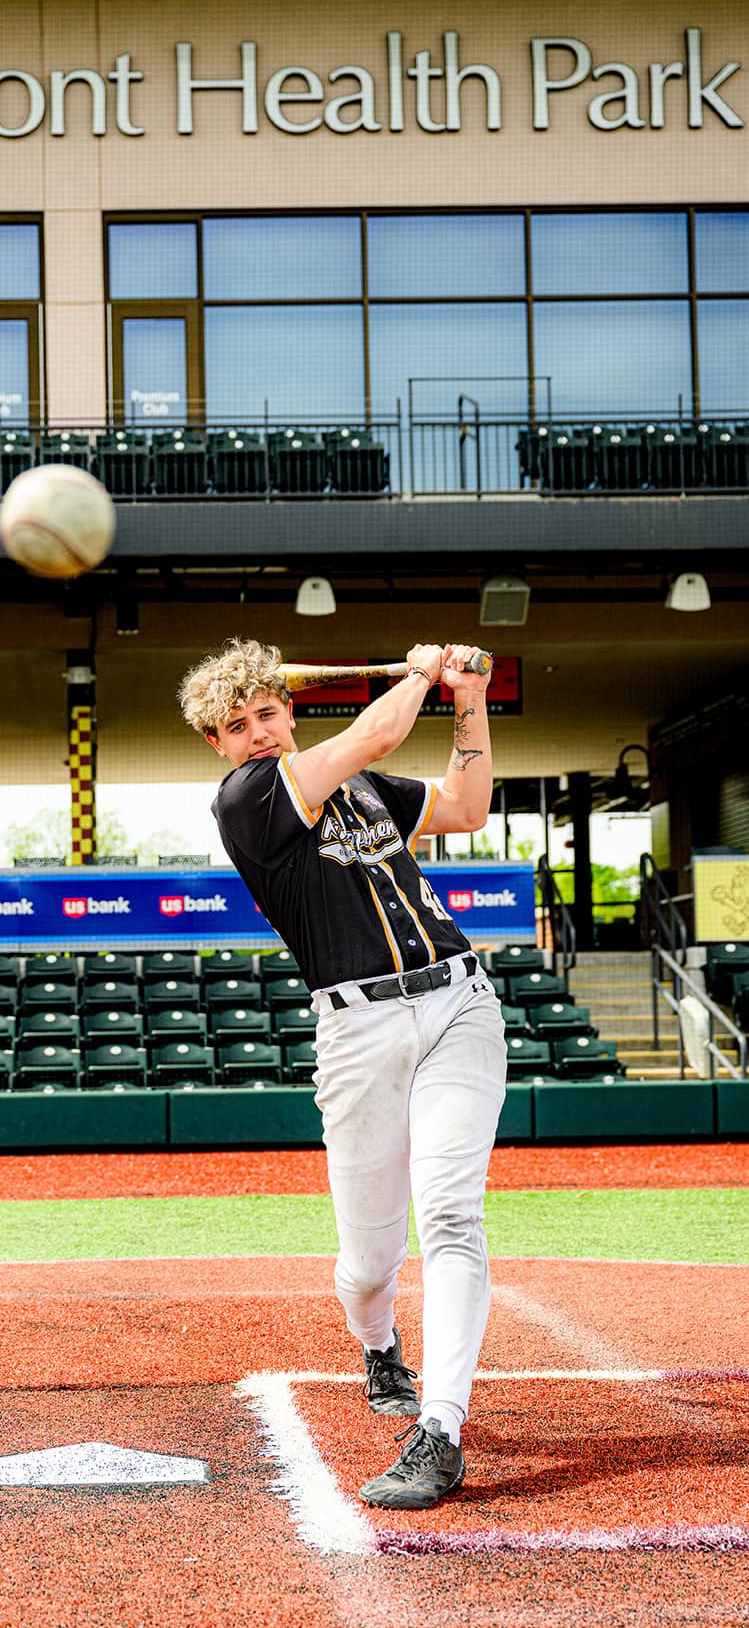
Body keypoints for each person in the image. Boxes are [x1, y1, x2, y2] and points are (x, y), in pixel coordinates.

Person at [178, 637, 507, 1509]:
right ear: (217, 744)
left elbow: (468, 808)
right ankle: (377, 1346)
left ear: (288, 710)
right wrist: (415, 677)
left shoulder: (361, 789)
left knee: (447, 1211)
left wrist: (465, 697)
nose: (254, 732)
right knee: (368, 1265)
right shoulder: (248, 798)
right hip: (357, 1031)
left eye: (264, 713)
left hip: (457, 1004)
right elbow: (369, 737)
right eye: (234, 725)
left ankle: (438, 1429)